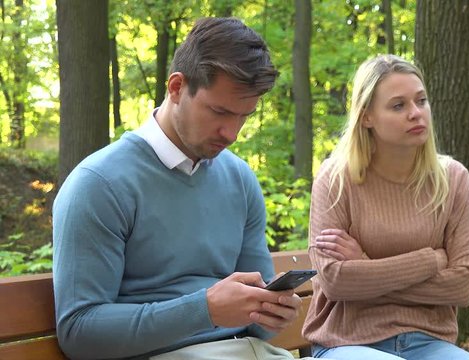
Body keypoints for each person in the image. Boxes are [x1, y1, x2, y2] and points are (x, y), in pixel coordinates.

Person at [53, 17, 315, 360]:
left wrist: (272, 311)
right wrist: (203, 310)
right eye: (220, 112)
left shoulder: (239, 179)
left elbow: (258, 326)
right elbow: (79, 331)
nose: (231, 133)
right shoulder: (99, 184)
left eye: (244, 116)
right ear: (176, 87)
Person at [301, 54, 469, 360]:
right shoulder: (336, 179)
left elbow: (462, 286)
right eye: (398, 105)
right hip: (345, 343)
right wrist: (430, 261)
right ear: (367, 116)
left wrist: (365, 263)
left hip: (429, 342)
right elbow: (335, 280)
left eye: (421, 101)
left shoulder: (453, 179)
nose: (415, 113)